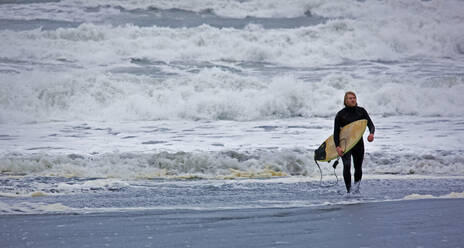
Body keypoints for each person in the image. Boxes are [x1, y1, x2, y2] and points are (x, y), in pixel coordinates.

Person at [334, 91, 375, 194]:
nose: (353, 100)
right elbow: (336, 133)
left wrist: (371, 134)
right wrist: (338, 147)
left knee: (358, 167)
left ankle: (356, 189)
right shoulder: (340, 114)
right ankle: (349, 191)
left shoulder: (361, 112)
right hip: (345, 144)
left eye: (354, 98)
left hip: (358, 144)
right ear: (345, 100)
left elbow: (370, 124)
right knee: (347, 166)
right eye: (350, 98)